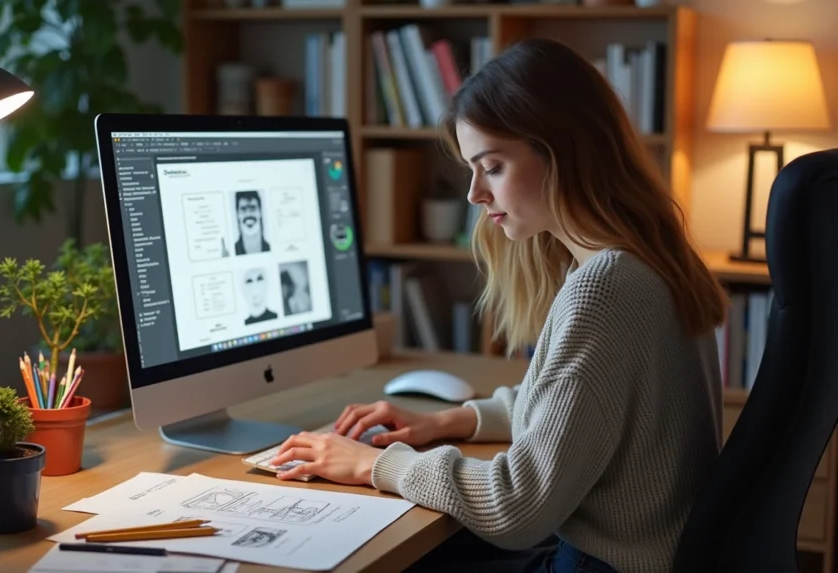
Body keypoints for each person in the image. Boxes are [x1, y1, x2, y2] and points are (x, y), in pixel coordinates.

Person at [269, 37, 727, 573]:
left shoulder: (604, 289)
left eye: (492, 166)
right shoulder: (646, 260)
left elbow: (516, 507)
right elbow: (571, 411)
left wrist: (378, 464)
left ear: (563, 152)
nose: (474, 194)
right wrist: (448, 421)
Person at [235, 190, 271, 255]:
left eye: (253, 208)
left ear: (260, 212)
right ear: (237, 214)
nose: (248, 214)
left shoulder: (270, 248)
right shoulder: (234, 251)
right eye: (243, 209)